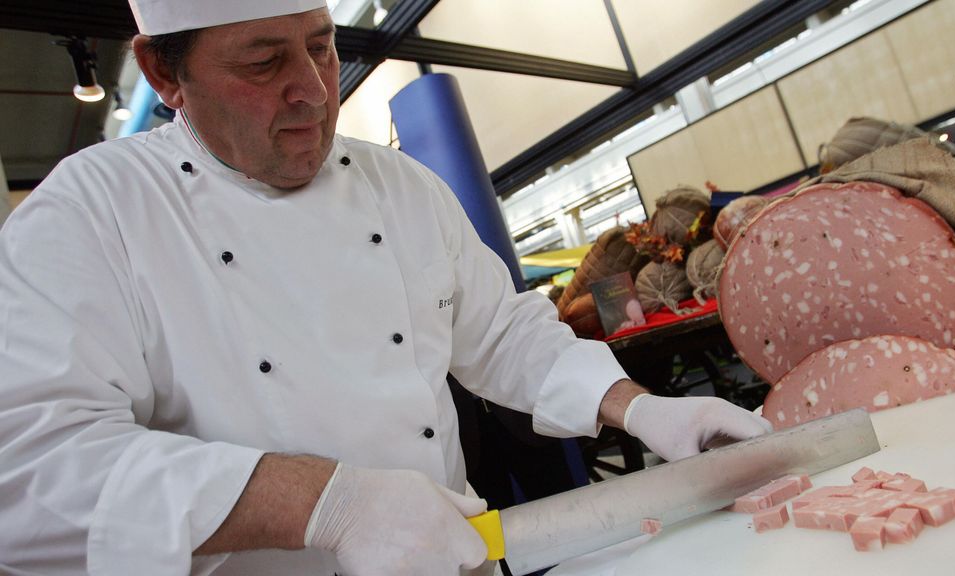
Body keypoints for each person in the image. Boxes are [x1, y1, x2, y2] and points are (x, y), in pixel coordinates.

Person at [0, 2, 772, 575]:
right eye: (264, 63)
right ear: (166, 73)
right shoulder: (94, 212)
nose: (312, 89)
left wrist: (638, 407)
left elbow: (501, 332)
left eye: (322, 47)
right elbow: (29, 473)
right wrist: (323, 503)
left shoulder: (400, 187)